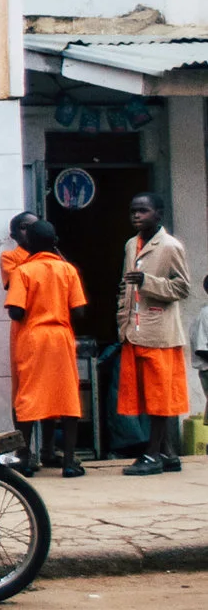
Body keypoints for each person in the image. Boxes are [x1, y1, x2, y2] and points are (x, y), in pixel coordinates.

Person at [117, 191, 193, 476]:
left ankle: (152, 455)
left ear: (158, 214)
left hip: (160, 332)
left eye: (143, 211)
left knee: (160, 396)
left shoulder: (171, 246)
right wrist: (121, 322)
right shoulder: (130, 245)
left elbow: (182, 288)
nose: (137, 215)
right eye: (133, 211)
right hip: (134, 331)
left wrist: (148, 282)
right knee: (145, 397)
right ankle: (168, 452)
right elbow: (125, 288)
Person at [5, 219, 85, 476]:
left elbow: (16, 312)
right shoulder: (68, 270)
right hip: (61, 337)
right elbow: (80, 311)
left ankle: (25, 459)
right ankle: (70, 462)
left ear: (29, 243)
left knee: (29, 395)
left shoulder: (23, 271)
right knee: (68, 396)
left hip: (34, 337)